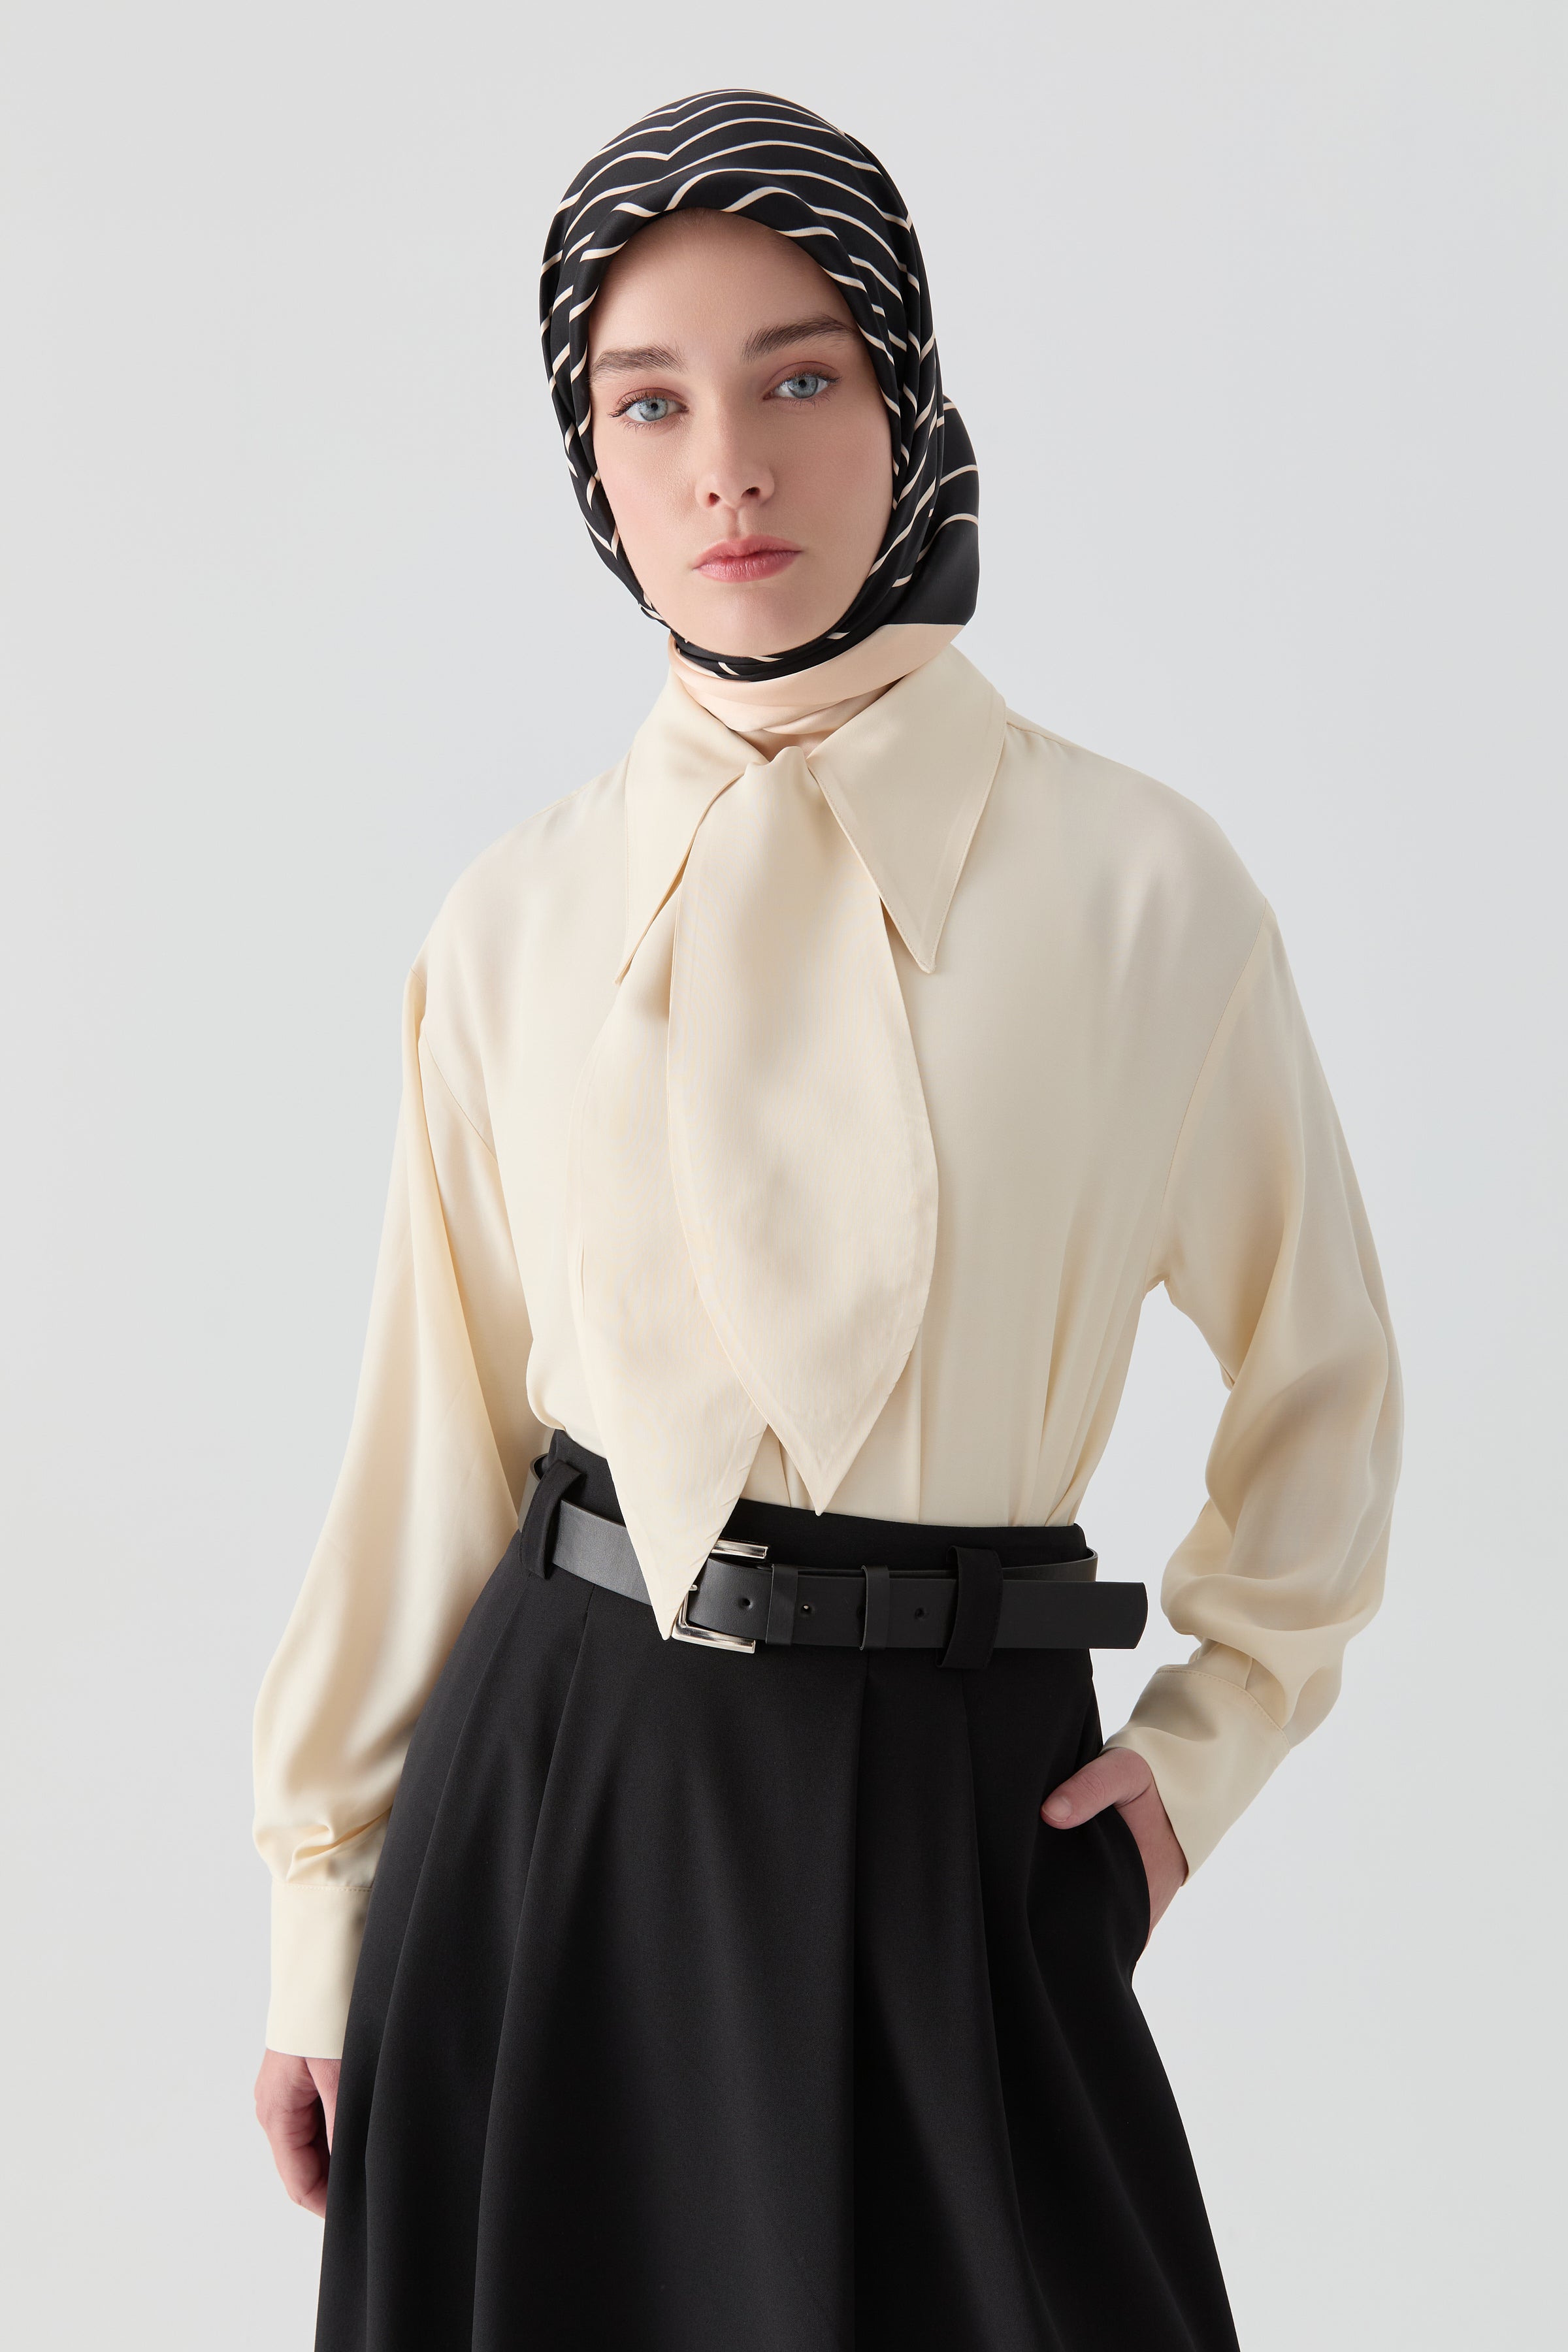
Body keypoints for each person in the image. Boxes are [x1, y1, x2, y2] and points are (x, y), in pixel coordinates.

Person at [252, 89, 1401, 2352]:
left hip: (967, 1816)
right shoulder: (517, 919)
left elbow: (1325, 1381)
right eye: (648, 403)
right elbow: (431, 1456)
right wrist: (323, 1914)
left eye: (799, 378)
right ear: (589, 459)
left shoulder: (1141, 895)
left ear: (907, 399)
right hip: (564, 1806)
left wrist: (1197, 1763)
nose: (727, 470)